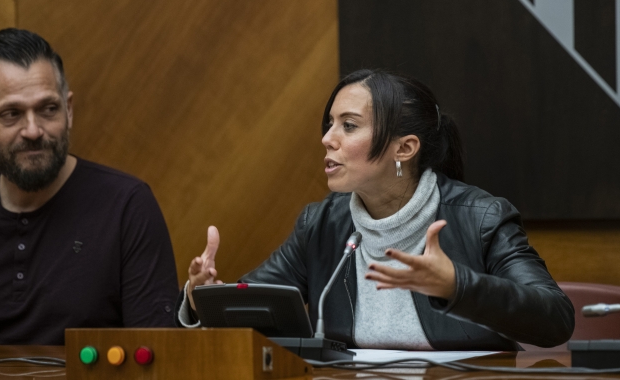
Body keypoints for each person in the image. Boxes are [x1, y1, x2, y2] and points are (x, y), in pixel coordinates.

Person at [178, 69, 574, 350]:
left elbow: (555, 319)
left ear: (404, 148)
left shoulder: (481, 217)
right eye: (329, 124)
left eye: (348, 126)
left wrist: (456, 285)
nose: (327, 139)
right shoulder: (321, 224)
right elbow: (254, 309)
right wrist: (208, 298)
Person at [0, 28, 178, 345]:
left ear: (68, 110)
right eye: (11, 114)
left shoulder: (127, 206)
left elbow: (156, 357)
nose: (33, 130)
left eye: (48, 109)